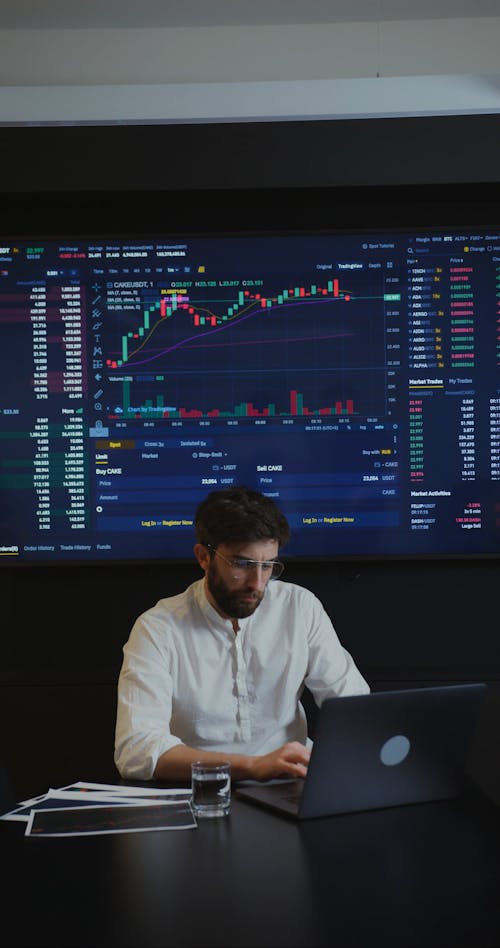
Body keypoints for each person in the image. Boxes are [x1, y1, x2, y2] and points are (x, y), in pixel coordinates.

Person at [114, 486, 369, 783]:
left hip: (292, 786)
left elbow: (356, 709)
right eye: (243, 564)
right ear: (203, 557)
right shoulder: (157, 628)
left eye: (268, 565)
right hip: (200, 794)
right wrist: (252, 766)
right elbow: (135, 750)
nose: (257, 583)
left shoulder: (300, 607)